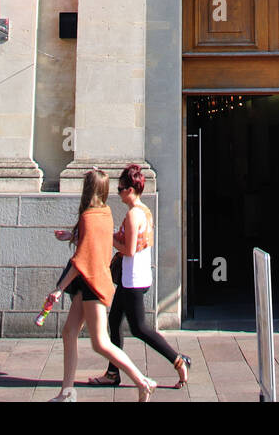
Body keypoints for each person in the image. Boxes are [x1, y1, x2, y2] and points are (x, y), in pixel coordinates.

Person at [49, 168, 156, 403]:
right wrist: (73, 236)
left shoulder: (89, 215)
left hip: (92, 282)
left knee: (100, 342)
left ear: (88, 188)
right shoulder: (105, 212)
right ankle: (67, 392)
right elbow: (96, 242)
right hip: (92, 280)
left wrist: (59, 288)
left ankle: (142, 381)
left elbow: (82, 259)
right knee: (69, 333)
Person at [90, 164, 191, 390]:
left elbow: (129, 250)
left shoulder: (134, 214)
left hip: (133, 279)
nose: (118, 192)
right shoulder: (144, 211)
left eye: (120, 188)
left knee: (140, 329)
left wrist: (108, 239)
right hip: (135, 276)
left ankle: (178, 360)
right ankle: (112, 372)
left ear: (130, 189)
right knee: (114, 321)